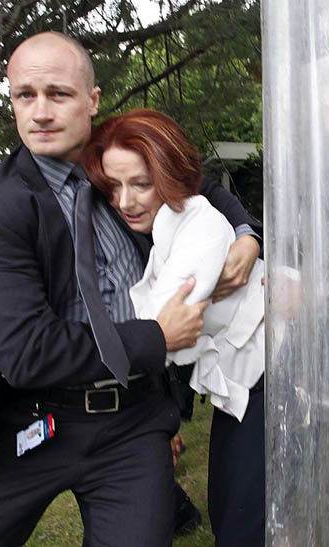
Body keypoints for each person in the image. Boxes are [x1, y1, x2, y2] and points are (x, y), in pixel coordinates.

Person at [0, 31, 261, 546]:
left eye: (57, 94)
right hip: (35, 415)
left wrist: (245, 234)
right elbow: (25, 352)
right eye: (24, 95)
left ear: (92, 100)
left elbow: (202, 187)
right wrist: (154, 338)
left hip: (133, 421)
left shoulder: (119, 159)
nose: (39, 112)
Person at [83, 108, 265, 547]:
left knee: (244, 523)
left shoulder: (196, 223)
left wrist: (248, 234)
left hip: (267, 373)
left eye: (141, 184)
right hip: (235, 384)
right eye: (114, 187)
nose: (125, 201)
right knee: (230, 507)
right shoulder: (163, 223)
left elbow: (165, 332)